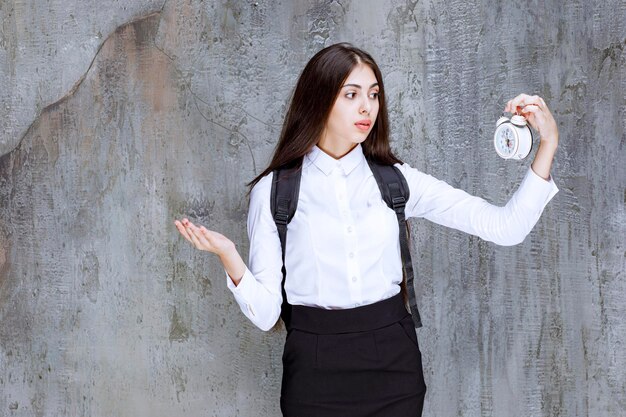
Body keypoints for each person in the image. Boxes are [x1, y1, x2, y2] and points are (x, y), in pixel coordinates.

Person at [174, 43, 559, 417]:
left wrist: (548, 143)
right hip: (314, 369)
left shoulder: (397, 182)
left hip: (393, 363)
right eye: (351, 94)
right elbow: (265, 314)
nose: (367, 107)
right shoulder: (275, 192)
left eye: (373, 95)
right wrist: (230, 257)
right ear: (319, 99)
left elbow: (506, 227)